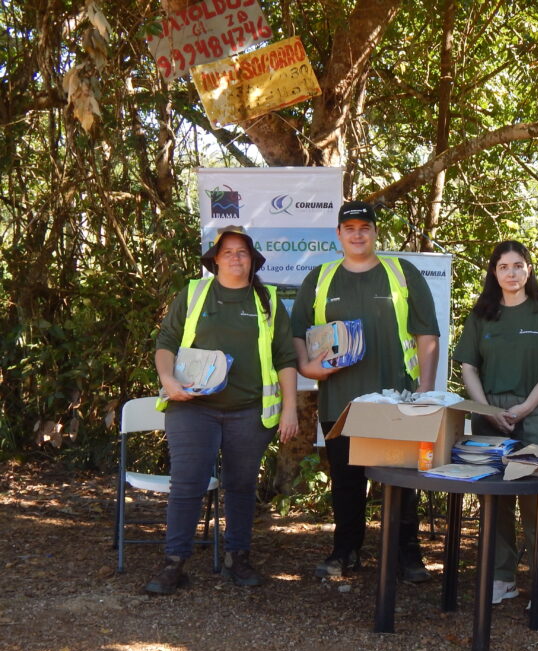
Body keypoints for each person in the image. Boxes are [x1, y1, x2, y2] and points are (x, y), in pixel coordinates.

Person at [291, 200, 440, 582]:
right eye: (349, 228)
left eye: (365, 227)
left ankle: (407, 555)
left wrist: (425, 390)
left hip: (397, 400)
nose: (357, 234)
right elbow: (297, 334)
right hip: (340, 401)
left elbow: (427, 334)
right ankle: (346, 551)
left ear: (375, 232)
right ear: (338, 235)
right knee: (346, 483)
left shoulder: (401, 273)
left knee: (402, 481)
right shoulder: (320, 278)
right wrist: (308, 368)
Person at [146, 226, 299, 594]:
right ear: (215, 259)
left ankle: (237, 557)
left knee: (241, 486)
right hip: (192, 407)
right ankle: (174, 563)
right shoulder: (195, 293)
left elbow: (285, 358)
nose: (235, 257)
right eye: (227, 251)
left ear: (252, 260)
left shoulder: (268, 301)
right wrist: (167, 379)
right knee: (187, 483)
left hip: (249, 411)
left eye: (242, 252)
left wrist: (291, 407)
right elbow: (166, 341)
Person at [453, 241, 538, 607]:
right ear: (494, 273)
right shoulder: (482, 314)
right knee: (494, 500)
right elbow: (467, 367)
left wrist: (525, 408)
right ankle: (502, 578)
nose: (512, 273)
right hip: (489, 414)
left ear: (529, 270)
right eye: (504, 267)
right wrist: (486, 409)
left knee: (537, 500)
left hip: (533, 413)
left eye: (518, 265)